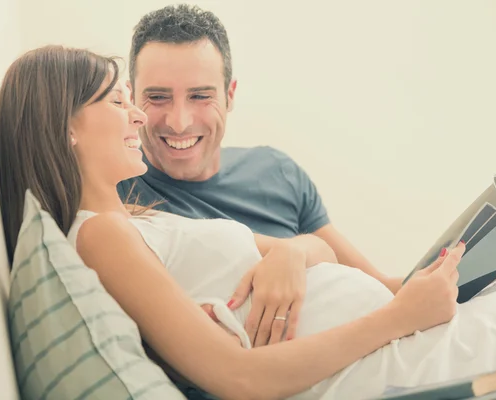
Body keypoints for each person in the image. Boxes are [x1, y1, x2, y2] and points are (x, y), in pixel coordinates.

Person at [0, 45, 496, 400]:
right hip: (381, 359)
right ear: (66, 128)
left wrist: (290, 252)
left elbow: (322, 253)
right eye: (119, 102)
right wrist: (399, 317)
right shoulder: (100, 235)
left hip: (396, 336)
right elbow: (237, 378)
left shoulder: (131, 223)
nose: (139, 114)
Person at [116, 4, 406, 347]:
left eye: (200, 96)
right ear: (132, 97)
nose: (179, 122)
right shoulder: (114, 195)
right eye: (159, 97)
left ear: (230, 95)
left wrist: (295, 252)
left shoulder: (276, 171)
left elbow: (379, 285)